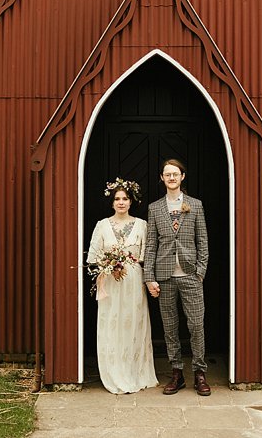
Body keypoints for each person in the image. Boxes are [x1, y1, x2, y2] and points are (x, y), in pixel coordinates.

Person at [145, 158, 211, 396]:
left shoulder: (195, 205)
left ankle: (200, 373)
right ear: (162, 178)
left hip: (190, 276)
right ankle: (177, 373)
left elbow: (202, 241)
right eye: (167, 174)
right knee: (170, 328)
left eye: (175, 174)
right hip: (164, 278)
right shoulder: (154, 208)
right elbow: (151, 245)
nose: (171, 178)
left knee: (196, 325)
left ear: (182, 177)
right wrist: (149, 277)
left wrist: (200, 272)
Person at [86, 178, 158, 394]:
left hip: (134, 280)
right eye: (117, 198)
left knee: (133, 324)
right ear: (112, 202)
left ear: (131, 201)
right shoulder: (102, 225)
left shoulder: (141, 225)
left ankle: (134, 371)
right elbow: (93, 257)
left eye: (125, 198)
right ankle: (114, 372)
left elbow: (147, 257)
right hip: (111, 281)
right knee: (112, 324)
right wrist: (109, 265)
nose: (121, 202)